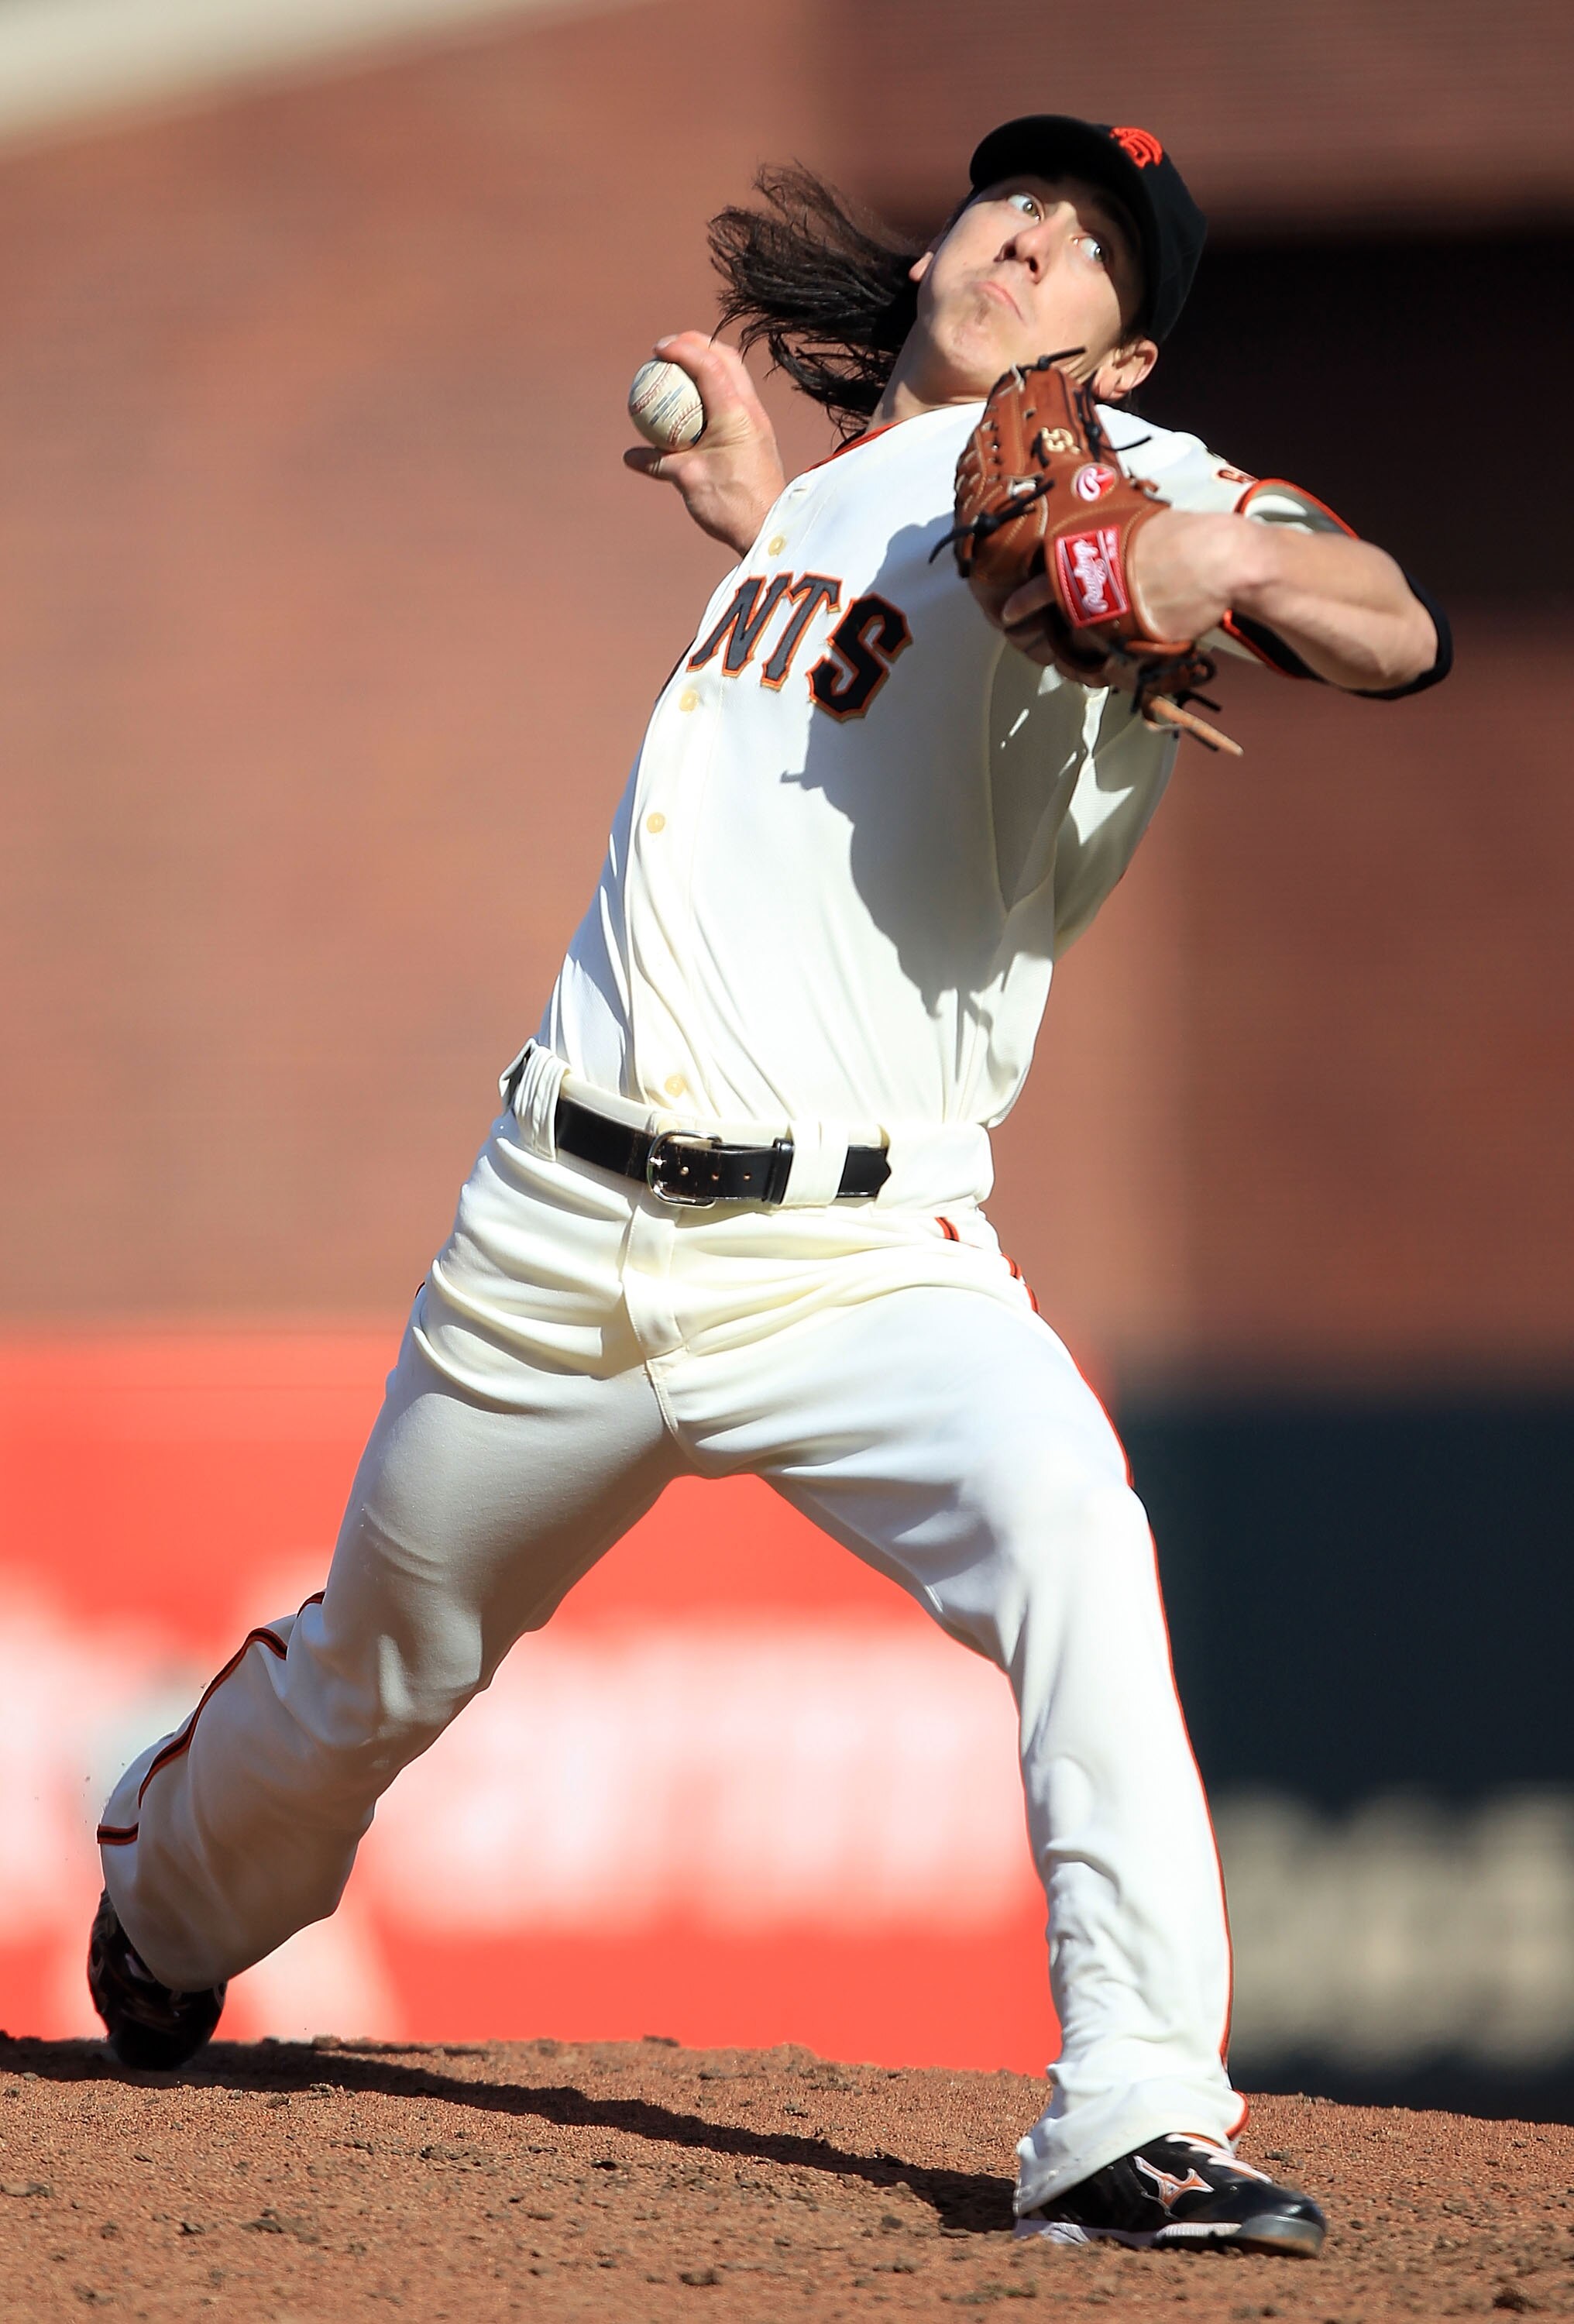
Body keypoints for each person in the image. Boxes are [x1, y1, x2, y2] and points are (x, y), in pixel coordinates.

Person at [89, 115, 1446, 2256]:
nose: (1028, 240)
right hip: (553, 1236)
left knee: (1075, 1532)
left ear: (1128, 356)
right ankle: (161, 1905)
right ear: (944, 242)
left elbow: (1393, 620)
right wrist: (759, 526)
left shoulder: (1126, 485)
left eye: (1091, 248)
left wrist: (1235, 571)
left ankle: (1136, 2115)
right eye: (1017, 200)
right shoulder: (821, 507)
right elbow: (833, 708)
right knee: (381, 1677)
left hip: (858, 1258)